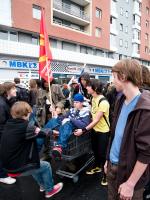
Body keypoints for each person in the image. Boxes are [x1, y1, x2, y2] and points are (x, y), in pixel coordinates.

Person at [104, 59, 150, 200]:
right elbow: (114, 134)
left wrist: (130, 184)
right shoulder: (120, 100)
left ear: (123, 77)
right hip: (113, 168)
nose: (112, 81)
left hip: (129, 175)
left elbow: (146, 153)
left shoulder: (146, 109)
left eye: (114, 76)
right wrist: (108, 160)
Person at [0, 101, 63, 198]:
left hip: (7, 166)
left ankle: (43, 185)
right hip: (16, 167)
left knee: (35, 164)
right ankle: (50, 190)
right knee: (45, 166)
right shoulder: (26, 127)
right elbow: (42, 132)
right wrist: (55, 132)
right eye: (29, 112)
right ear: (26, 114)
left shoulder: (9, 124)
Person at [74, 79, 110, 186]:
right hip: (95, 130)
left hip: (103, 132)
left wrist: (83, 129)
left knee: (103, 154)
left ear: (95, 88)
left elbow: (96, 120)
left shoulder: (103, 102)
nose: (86, 87)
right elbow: (91, 113)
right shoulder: (92, 98)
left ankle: (106, 175)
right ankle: (97, 167)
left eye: (89, 86)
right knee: (95, 150)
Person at [45, 93, 91, 159]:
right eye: (74, 102)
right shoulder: (72, 110)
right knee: (53, 120)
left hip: (73, 130)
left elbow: (84, 125)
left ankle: (59, 146)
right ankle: (40, 137)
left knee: (68, 123)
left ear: (81, 103)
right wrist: (56, 115)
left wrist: (71, 119)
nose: (75, 104)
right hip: (64, 129)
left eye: (77, 102)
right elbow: (64, 117)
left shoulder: (85, 112)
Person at [0, 82, 16, 185]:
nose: (16, 90)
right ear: (7, 91)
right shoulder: (1, 104)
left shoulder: (5, 101)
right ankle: (2, 176)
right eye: (13, 88)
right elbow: (1, 125)